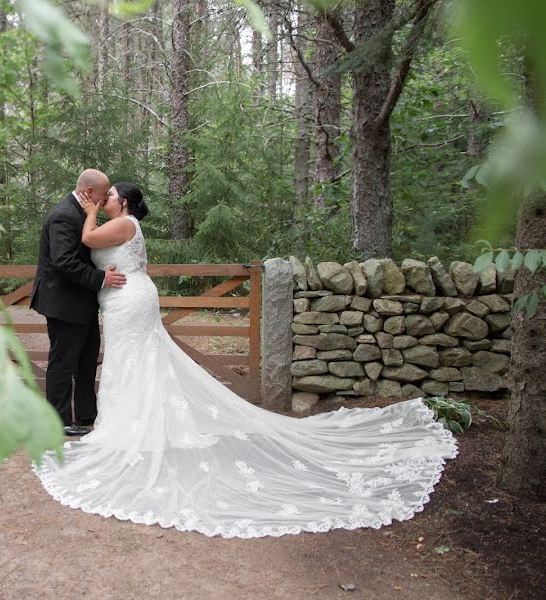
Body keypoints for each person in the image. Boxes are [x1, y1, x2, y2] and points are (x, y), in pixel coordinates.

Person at [33, 182, 457, 539]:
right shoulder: (120, 222)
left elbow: (89, 242)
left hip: (129, 301)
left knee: (135, 362)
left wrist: (89, 212)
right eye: (99, 197)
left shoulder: (119, 222)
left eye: (108, 197)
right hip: (123, 302)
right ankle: (130, 420)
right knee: (133, 363)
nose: (103, 200)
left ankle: (135, 426)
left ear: (121, 203)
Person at [30, 169, 127, 436]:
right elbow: (64, 262)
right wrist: (101, 278)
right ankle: (58, 422)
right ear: (88, 193)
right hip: (64, 303)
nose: (106, 198)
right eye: (103, 194)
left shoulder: (82, 213)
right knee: (63, 363)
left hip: (82, 304)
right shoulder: (64, 215)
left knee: (86, 361)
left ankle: (86, 417)